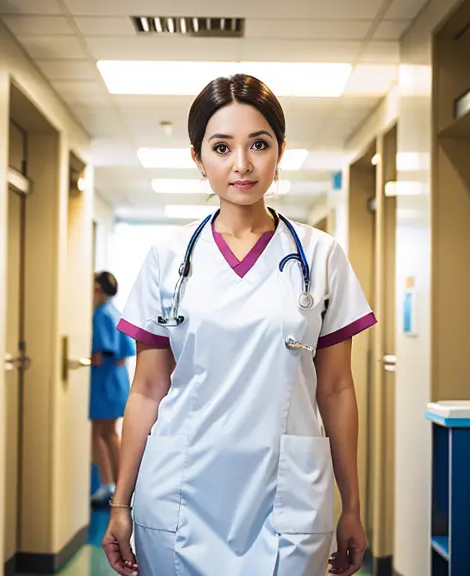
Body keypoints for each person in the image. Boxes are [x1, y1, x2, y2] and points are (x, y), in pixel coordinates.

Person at [102, 74, 376, 576]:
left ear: (280, 151)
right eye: (222, 147)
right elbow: (146, 389)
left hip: (286, 493)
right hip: (180, 491)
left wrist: (352, 505)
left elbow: (336, 390)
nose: (242, 164)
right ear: (197, 157)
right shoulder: (167, 258)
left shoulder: (320, 255)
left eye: (259, 144)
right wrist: (121, 504)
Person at [90, 271, 136, 506]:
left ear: (97, 288)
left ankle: (107, 484)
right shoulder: (115, 312)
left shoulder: (101, 314)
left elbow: (100, 354)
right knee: (110, 433)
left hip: (103, 380)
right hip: (115, 381)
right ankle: (120, 485)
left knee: (98, 433)